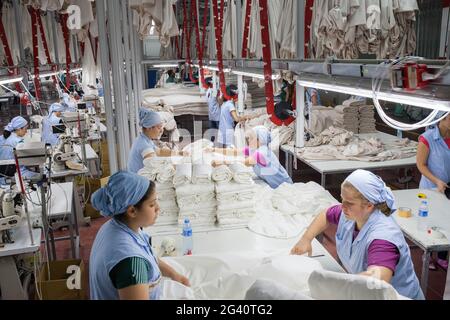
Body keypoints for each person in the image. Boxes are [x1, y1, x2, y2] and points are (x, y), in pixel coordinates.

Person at [291, 169, 424, 300]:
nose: (342, 206)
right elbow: (326, 214)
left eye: (349, 203)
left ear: (369, 206)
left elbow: (377, 280)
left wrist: (338, 287)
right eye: (342, 199)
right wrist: (306, 239)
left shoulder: (383, 238)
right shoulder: (351, 213)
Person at [89, 171, 190, 300]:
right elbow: (136, 260)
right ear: (132, 211)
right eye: (152, 204)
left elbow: (147, 254)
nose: (158, 208)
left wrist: (174, 274)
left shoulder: (117, 226)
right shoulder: (131, 263)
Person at [416, 112, 450, 270]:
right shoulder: (427, 137)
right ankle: (427, 255)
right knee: (430, 221)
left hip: (448, 189)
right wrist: (437, 181)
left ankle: (443, 255)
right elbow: (421, 164)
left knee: (447, 221)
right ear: (442, 118)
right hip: (431, 188)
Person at [210, 126, 293, 189]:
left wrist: (222, 162)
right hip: (273, 185)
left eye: (251, 138)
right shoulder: (253, 150)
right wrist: (214, 149)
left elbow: (245, 162)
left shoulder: (262, 152)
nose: (248, 140)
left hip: (284, 186)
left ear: (260, 139)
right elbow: (235, 152)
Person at [128, 108, 185, 173]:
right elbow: (155, 165)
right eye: (159, 127)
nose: (161, 130)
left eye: (161, 127)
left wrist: (179, 153)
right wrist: (176, 166)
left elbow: (159, 152)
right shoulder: (143, 145)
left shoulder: (145, 139)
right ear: (149, 128)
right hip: (139, 180)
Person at [0, 116, 37, 184]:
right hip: (15, 174)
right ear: (19, 129)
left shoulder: (3, 138)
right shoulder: (18, 141)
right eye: (25, 129)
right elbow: (26, 161)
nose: (26, 131)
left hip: (2, 176)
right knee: (41, 176)